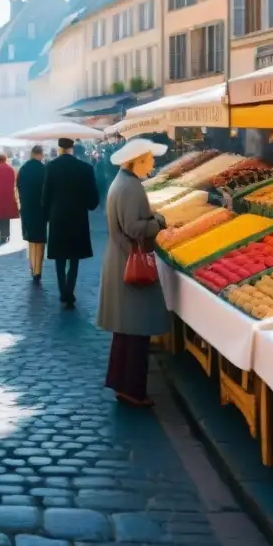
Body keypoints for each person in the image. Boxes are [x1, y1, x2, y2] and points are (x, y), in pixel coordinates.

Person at [96, 138, 170, 406]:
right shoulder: (131, 187)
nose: (152, 165)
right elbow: (135, 228)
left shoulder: (121, 182)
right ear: (137, 160)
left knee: (126, 332)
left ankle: (122, 384)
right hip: (131, 264)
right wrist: (159, 221)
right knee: (137, 330)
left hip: (120, 259)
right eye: (150, 160)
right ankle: (133, 390)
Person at [42, 137, 100, 308]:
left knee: (60, 257)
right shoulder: (85, 168)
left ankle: (63, 291)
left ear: (59, 149)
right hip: (77, 218)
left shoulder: (51, 167)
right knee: (74, 258)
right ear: (72, 149)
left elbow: (45, 198)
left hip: (58, 218)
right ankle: (70, 290)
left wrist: (48, 213)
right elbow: (93, 201)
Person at [16, 145, 47, 281]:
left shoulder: (23, 169)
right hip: (40, 208)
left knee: (30, 240)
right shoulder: (44, 169)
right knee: (40, 239)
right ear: (40, 154)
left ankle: (32, 267)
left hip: (27, 207)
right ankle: (38, 270)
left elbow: (18, 188)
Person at [0, 153, 19, 243]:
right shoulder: (10, 168)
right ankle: (7, 234)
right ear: (6, 159)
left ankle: (2, 235)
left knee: (1, 216)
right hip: (8, 195)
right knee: (6, 216)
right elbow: (14, 181)